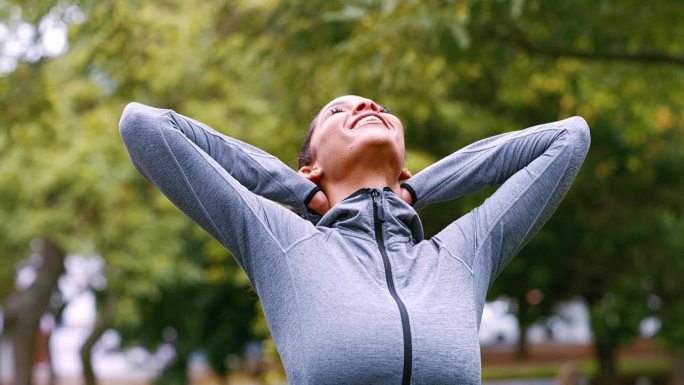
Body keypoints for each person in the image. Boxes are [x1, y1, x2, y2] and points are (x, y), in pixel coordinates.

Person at [119, 95, 590, 385]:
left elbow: (570, 138)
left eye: (379, 108)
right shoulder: (284, 246)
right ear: (311, 166)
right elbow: (145, 127)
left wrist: (416, 189)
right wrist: (301, 192)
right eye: (337, 111)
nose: (368, 107)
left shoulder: (461, 256)